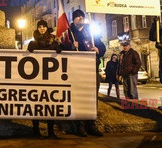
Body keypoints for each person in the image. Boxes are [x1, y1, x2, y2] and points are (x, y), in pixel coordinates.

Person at [64, 9, 106, 137]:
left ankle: (91, 124)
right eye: (78, 17)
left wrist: (98, 49)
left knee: (92, 98)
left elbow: (102, 47)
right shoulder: (69, 33)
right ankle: (80, 125)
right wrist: (71, 46)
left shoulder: (90, 32)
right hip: (76, 71)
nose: (81, 18)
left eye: (82, 16)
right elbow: (61, 49)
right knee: (78, 97)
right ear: (73, 20)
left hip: (92, 69)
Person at [27, 19, 62, 139]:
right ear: (37, 28)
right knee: (36, 104)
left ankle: (50, 131)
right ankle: (36, 131)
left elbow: (59, 52)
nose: (42, 28)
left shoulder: (53, 41)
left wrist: (58, 46)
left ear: (47, 28)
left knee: (50, 104)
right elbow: (30, 52)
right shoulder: (34, 42)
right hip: (36, 77)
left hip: (50, 78)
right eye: (40, 26)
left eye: (44, 26)